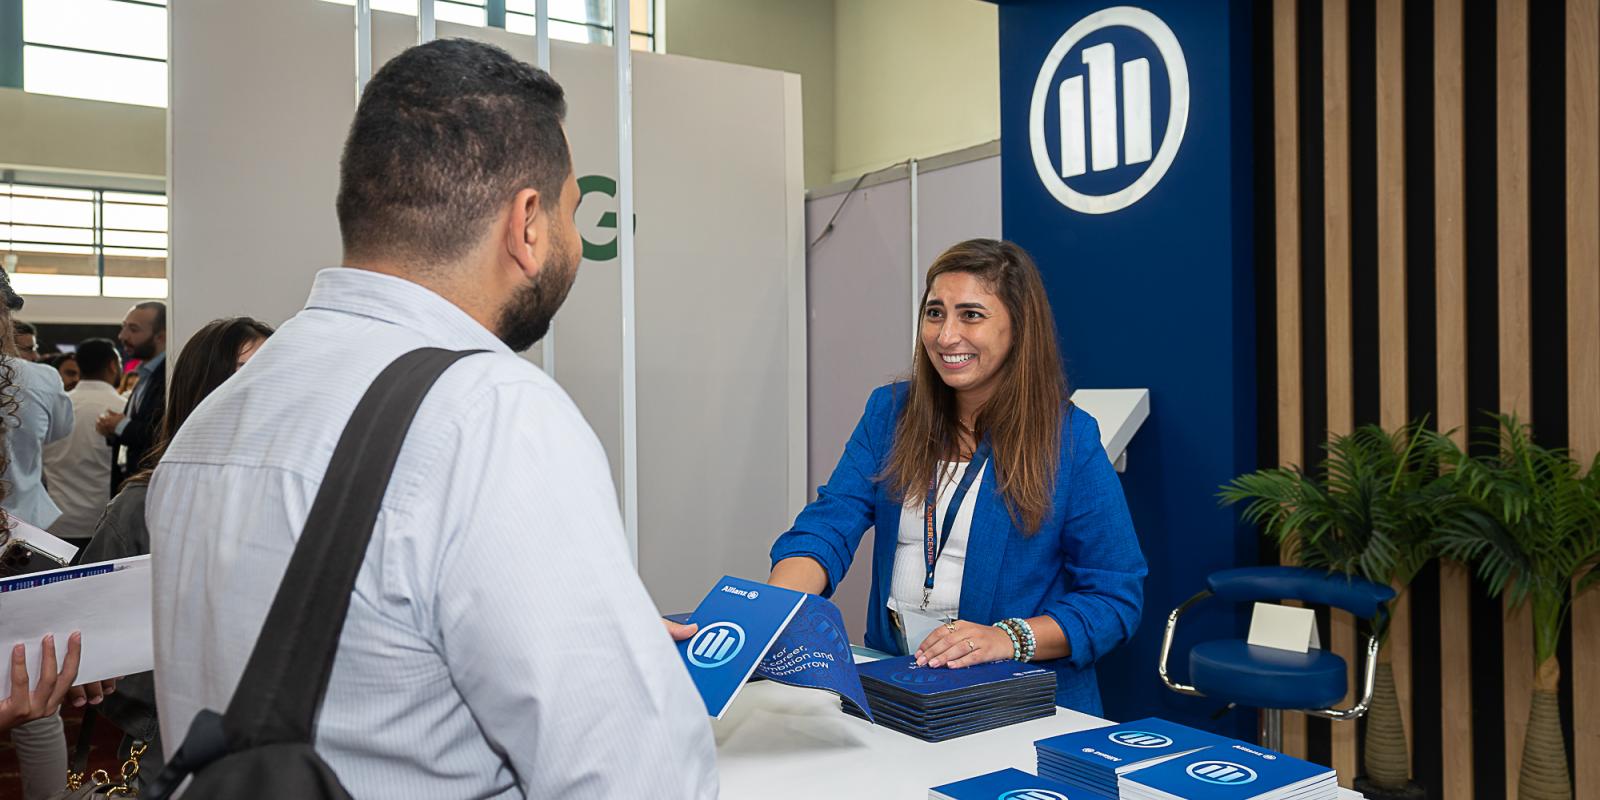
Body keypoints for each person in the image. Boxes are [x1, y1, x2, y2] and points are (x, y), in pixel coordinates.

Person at [146, 39, 715, 798]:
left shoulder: (211, 422)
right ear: (529, 224)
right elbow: (639, 779)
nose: (576, 243)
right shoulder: (492, 416)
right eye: (574, 213)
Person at [768, 238, 1147, 715]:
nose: (946, 336)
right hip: (896, 688)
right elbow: (829, 523)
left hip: (1016, 702)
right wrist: (772, 610)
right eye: (934, 313)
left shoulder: (1068, 439)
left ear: (1018, 327)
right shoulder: (890, 413)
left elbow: (1115, 597)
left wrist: (1007, 638)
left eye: (971, 315)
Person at [78, 317, 271, 790]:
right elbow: (84, 641)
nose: (270, 382)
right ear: (206, 390)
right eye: (248, 370)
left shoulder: (308, 494)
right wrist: (158, 712)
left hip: (285, 742)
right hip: (175, 746)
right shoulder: (143, 506)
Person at [42, 340, 124, 545]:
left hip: (56, 521)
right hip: (104, 521)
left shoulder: (54, 407)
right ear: (113, 365)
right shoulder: (123, 410)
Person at [1, 322, 72, 531]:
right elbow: (59, 430)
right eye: (28, 349)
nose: (34, 356)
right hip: (26, 515)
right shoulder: (43, 377)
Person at [97, 302, 166, 489]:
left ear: (161, 336)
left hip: (150, 486)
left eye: (133, 329)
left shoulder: (169, 376)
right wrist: (114, 430)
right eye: (124, 327)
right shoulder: (145, 373)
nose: (122, 336)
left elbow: (162, 435)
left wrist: (120, 425)